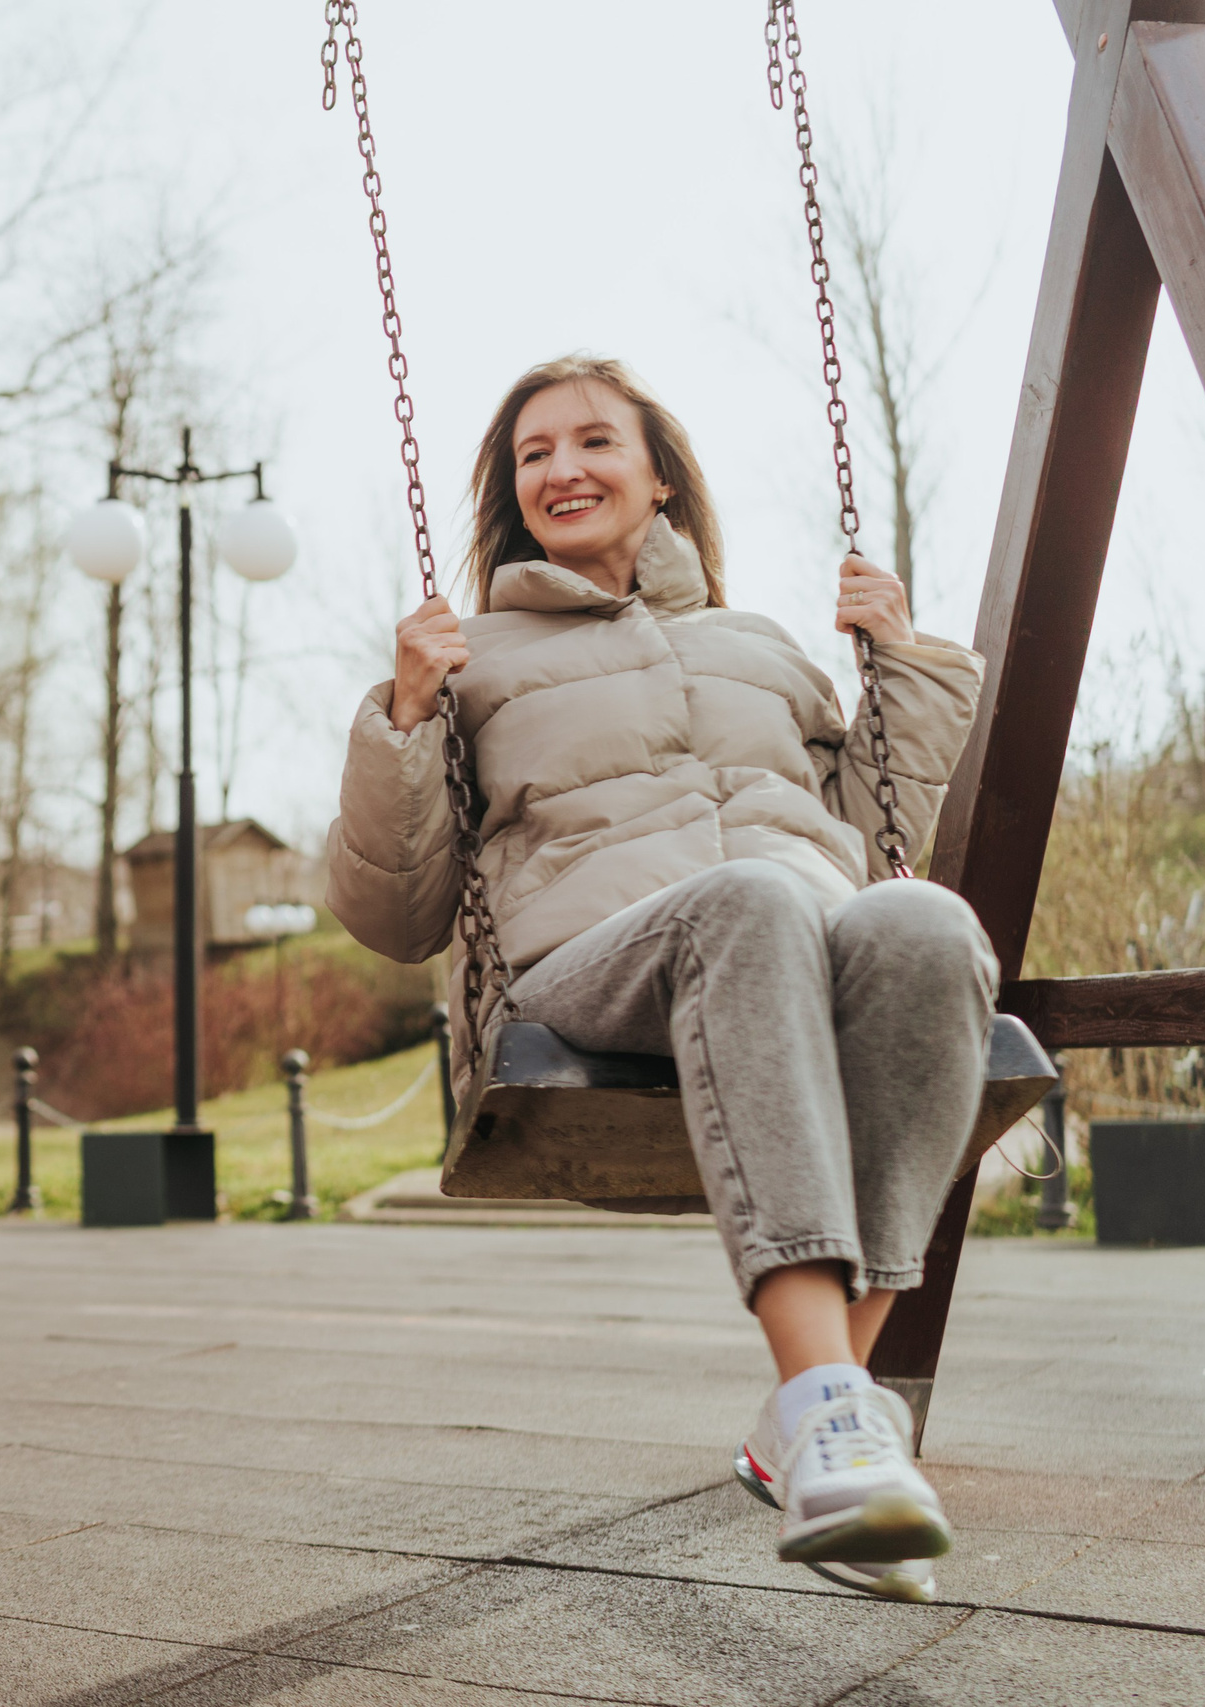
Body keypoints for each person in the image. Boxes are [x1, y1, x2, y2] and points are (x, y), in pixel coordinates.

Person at [326, 356, 990, 1606]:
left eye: (592, 443)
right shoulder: (474, 659)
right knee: (750, 903)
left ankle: (811, 1417)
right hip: (592, 969)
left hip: (794, 939)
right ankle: (836, 1412)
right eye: (534, 454)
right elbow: (394, 913)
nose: (562, 469)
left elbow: (866, 820)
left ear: (659, 481)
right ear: (513, 494)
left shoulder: (763, 647)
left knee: (923, 924)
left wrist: (899, 663)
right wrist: (406, 719)